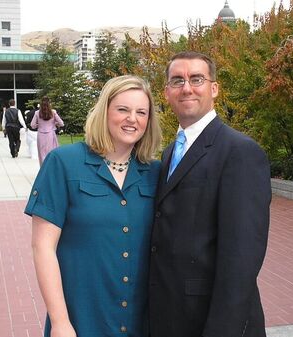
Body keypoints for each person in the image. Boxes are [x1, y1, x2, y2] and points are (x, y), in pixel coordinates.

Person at [24, 75, 162, 337]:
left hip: (140, 321)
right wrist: (60, 322)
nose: (132, 118)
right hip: (82, 319)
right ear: (105, 112)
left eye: (141, 112)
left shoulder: (155, 172)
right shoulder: (63, 163)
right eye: (123, 109)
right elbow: (42, 247)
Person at [149, 51, 271, 337]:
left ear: (214, 88)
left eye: (197, 79)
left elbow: (242, 256)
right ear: (167, 92)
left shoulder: (240, 152)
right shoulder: (170, 152)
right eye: (177, 80)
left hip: (213, 320)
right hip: (173, 314)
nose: (187, 87)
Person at [30, 96, 64, 165]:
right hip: (50, 134)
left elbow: (32, 125)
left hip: (40, 134)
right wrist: (54, 123)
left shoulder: (37, 113)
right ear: (49, 103)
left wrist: (39, 125)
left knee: (41, 153)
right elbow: (61, 123)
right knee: (51, 153)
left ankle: (43, 170)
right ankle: (50, 169)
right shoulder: (53, 112)